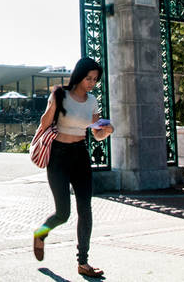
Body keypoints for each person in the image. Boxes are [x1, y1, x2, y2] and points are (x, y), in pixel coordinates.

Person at [32, 57, 113, 278]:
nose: (92, 83)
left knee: (85, 209)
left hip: (80, 155)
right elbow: (44, 124)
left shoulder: (92, 101)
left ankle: (83, 262)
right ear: (79, 75)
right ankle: (41, 233)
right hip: (58, 156)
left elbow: (96, 132)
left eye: (95, 79)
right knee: (63, 213)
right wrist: (54, 103)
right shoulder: (61, 94)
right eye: (88, 78)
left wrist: (106, 129)